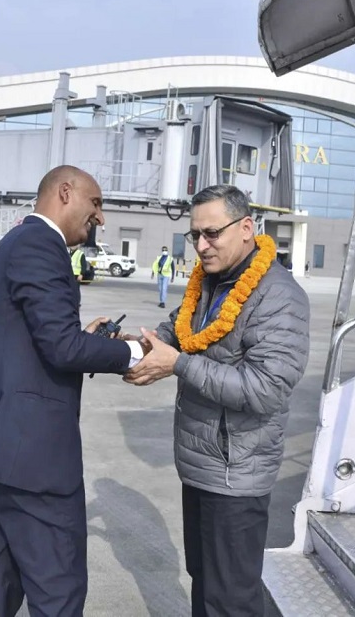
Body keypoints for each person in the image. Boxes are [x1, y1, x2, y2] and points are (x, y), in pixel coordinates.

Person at [0, 165, 147, 617]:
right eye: (96, 203)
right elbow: (61, 347)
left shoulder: (12, 243)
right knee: (58, 587)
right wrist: (135, 352)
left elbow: (28, 337)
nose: (101, 217)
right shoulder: (41, 244)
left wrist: (87, 339)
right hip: (30, 458)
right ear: (65, 192)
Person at [123, 184, 310, 617]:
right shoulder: (209, 282)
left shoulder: (278, 297)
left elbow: (265, 388)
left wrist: (178, 365)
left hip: (236, 475)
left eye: (212, 233)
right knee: (206, 582)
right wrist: (135, 345)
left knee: (230, 598)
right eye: (195, 235)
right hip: (201, 466)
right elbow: (177, 331)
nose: (201, 246)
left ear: (246, 228)